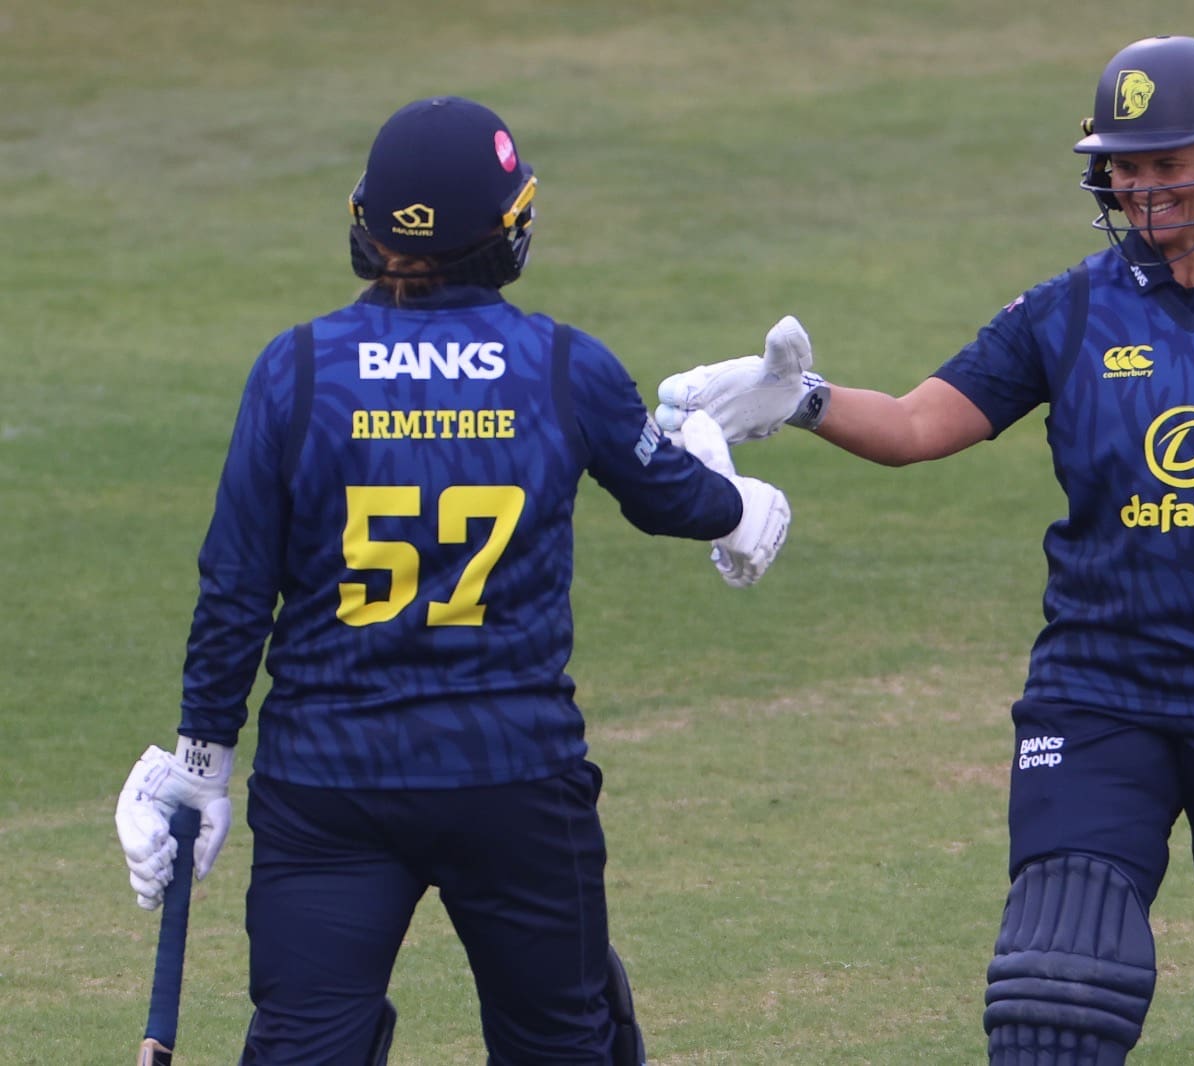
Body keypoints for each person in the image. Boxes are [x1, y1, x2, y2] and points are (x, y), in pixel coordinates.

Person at [652, 35, 1194, 1066]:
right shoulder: (1068, 310)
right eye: (1123, 166)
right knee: (1056, 992)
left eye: (1164, 161)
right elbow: (922, 424)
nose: (1140, 188)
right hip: (1100, 691)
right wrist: (803, 400)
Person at [114, 95, 791, 1065]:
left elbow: (233, 589)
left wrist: (198, 764)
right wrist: (741, 494)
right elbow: (674, 501)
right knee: (563, 1041)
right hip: (511, 777)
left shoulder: (294, 373)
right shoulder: (560, 365)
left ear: (367, 224)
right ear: (505, 231)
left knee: (304, 1045)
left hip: (328, 779)